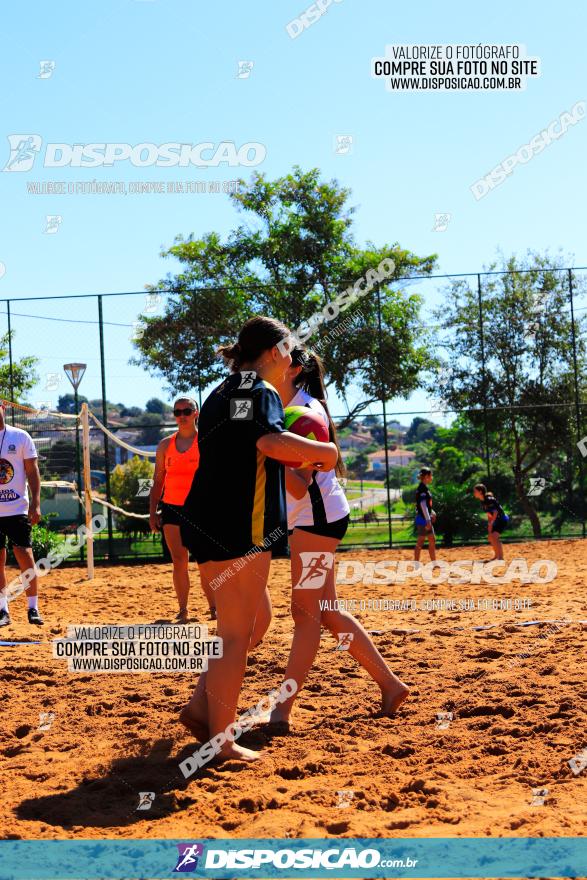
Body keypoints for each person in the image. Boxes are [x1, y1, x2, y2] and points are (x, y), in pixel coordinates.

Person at [177, 317, 339, 764]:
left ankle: (199, 707)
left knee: (254, 621)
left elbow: (248, 440)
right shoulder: (262, 392)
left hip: (205, 521)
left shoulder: (221, 392)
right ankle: (222, 740)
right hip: (240, 526)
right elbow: (269, 442)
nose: (291, 357)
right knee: (235, 635)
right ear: (272, 352)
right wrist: (324, 452)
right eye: (287, 349)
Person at [268, 347, 409, 726]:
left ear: (293, 369)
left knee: (305, 615)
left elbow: (298, 487)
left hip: (316, 523)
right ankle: (390, 684)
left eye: (272, 362)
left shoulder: (306, 415)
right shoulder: (285, 407)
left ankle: (281, 710)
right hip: (314, 520)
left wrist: (269, 452)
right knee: (326, 613)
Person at [149, 397, 215, 623]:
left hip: (202, 508)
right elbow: (158, 480)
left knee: (204, 561)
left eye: (187, 411)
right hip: (172, 508)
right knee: (179, 560)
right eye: (178, 412)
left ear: (196, 413)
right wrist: (152, 511)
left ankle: (214, 607)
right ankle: (183, 609)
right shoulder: (165, 445)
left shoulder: (206, 441)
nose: (182, 415)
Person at [0, 402, 43, 626]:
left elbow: (33, 472)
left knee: (24, 554)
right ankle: (2, 610)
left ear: (3, 408)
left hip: (17, 508)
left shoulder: (20, 436)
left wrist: (35, 503)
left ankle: (33, 608)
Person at [473, 483, 509, 561]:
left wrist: (492, 523)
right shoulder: (482, 501)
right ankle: (496, 556)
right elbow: (489, 514)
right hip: (495, 520)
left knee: (494, 537)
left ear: (480, 492)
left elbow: (495, 512)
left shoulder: (489, 500)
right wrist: (489, 527)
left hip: (502, 519)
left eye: (475, 491)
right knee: (491, 537)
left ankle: (501, 557)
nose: (474, 493)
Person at [414, 467, 436, 562]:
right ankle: (416, 563)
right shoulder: (422, 489)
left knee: (432, 540)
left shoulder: (424, 488)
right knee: (421, 541)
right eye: (431, 475)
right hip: (423, 519)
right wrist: (428, 520)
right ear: (426, 476)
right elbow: (423, 505)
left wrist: (432, 512)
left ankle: (434, 563)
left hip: (425, 517)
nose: (432, 477)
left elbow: (425, 505)